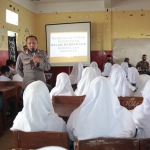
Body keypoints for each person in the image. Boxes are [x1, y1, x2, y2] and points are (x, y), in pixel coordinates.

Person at [67, 77, 136, 142]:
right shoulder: (127, 116)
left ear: (90, 91)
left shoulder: (76, 115)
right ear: (112, 90)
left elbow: (71, 136)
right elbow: (132, 136)